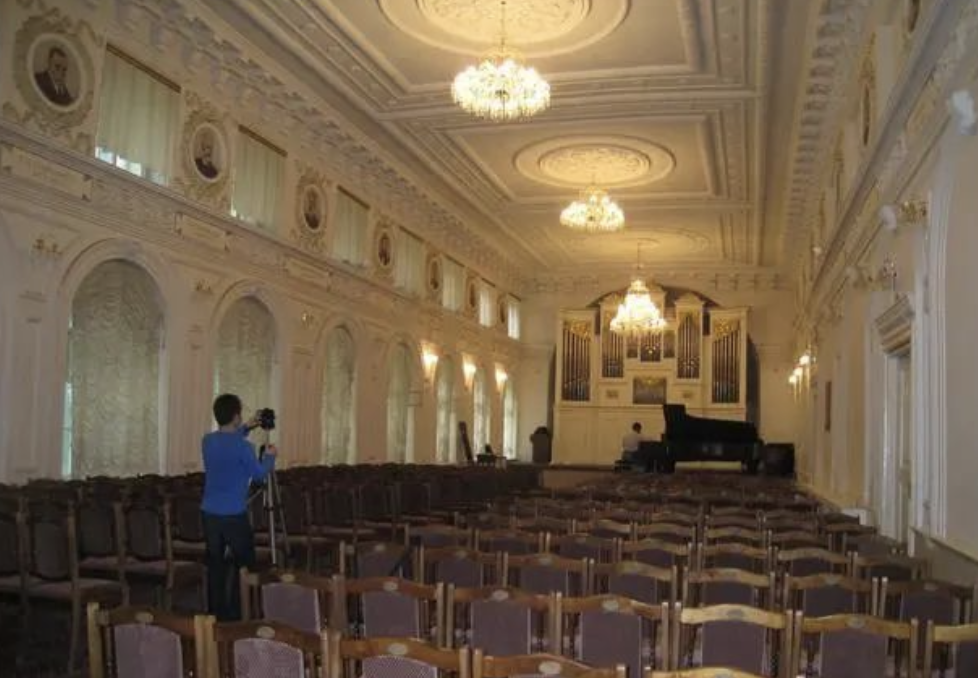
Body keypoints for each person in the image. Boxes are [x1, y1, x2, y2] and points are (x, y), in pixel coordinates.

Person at [201, 394, 276, 621]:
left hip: (210, 513)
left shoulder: (207, 441)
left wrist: (247, 427)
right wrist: (270, 457)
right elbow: (259, 474)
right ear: (236, 416)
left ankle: (216, 616)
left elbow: (227, 442)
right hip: (234, 513)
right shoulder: (245, 447)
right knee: (245, 565)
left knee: (216, 567)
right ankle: (239, 612)